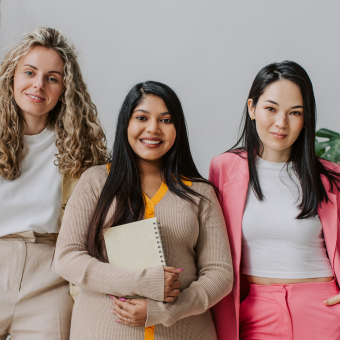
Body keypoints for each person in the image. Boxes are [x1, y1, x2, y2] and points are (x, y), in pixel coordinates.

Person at [55, 81, 233, 340]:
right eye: (141, 117)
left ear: (178, 128)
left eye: (166, 120)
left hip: (185, 332)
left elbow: (220, 274)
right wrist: (141, 282)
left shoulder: (200, 192)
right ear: (126, 123)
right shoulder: (95, 182)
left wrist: (165, 311)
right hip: (101, 331)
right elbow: (68, 257)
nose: (153, 128)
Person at [210, 60, 340, 340]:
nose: (281, 123)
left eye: (295, 112)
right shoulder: (224, 169)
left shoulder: (332, 177)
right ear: (252, 108)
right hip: (254, 312)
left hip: (323, 310)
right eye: (271, 108)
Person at [0, 27, 109, 340]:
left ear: (64, 88)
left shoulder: (80, 147)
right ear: (12, 77)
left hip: (49, 277)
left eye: (52, 77)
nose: (38, 85)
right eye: (30, 72)